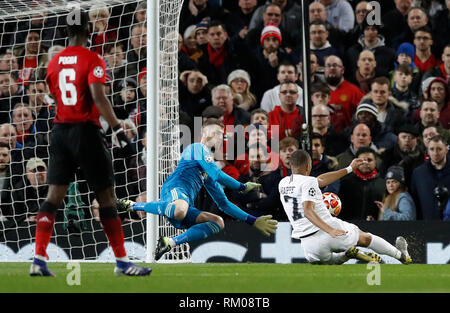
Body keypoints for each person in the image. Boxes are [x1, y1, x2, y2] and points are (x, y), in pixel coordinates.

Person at [29, 10, 151, 277]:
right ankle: (122, 262)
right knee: (106, 198)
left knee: (53, 198)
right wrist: (118, 129)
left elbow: (55, 92)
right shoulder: (94, 59)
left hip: (60, 131)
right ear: (89, 29)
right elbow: (98, 96)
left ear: (64, 31)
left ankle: (38, 258)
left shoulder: (54, 62)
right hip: (86, 131)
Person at [124, 118, 278, 260]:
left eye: (222, 135)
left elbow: (223, 204)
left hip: (184, 204)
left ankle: (170, 242)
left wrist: (252, 220)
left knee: (218, 222)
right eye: (216, 133)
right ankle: (131, 205)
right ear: (204, 132)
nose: (219, 138)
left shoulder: (206, 171)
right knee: (180, 210)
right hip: (175, 190)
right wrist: (242, 186)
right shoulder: (196, 148)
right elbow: (217, 174)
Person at [279, 149, 412, 265]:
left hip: (308, 244)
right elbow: (308, 211)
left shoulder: (283, 183)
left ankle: (347, 254)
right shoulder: (309, 182)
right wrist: (330, 230)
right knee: (366, 238)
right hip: (329, 230)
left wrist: (349, 168)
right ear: (308, 166)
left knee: (328, 262)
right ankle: (400, 255)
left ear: (291, 165)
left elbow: (320, 180)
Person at [338, 147, 386, 221]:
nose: (366, 163)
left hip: (376, 226)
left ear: (375, 162)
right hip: (349, 226)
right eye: (362, 160)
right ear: (356, 162)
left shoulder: (383, 184)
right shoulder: (345, 182)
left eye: (369, 160)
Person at [411, 134, 450, 220]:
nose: (435, 153)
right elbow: (415, 202)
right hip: (428, 225)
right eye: (432, 149)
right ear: (428, 151)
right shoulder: (418, 173)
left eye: (439, 149)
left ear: (446, 150)